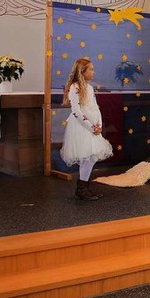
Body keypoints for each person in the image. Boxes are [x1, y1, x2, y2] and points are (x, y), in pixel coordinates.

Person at [60, 58, 113, 201]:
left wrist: (100, 124)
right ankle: (82, 188)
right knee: (88, 156)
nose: (93, 72)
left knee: (92, 156)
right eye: (91, 69)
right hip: (82, 127)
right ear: (82, 71)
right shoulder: (75, 87)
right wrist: (90, 126)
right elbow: (76, 111)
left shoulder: (89, 88)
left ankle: (83, 186)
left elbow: (95, 107)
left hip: (94, 126)